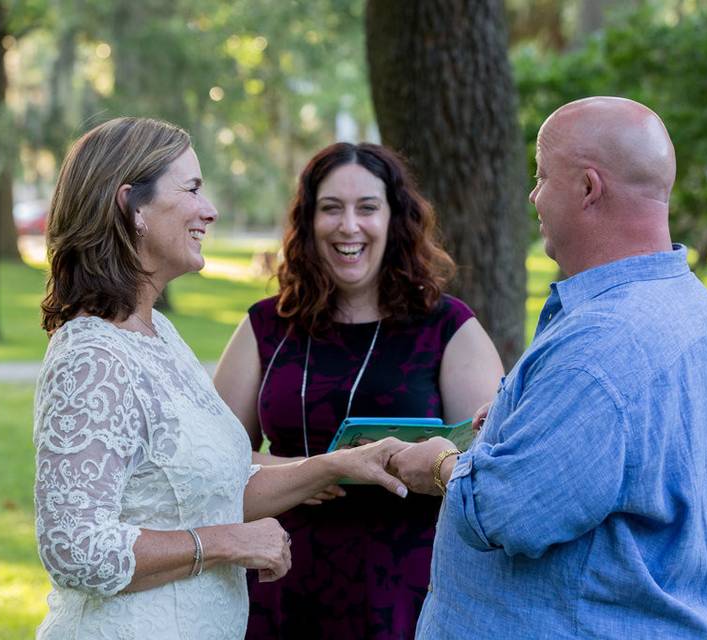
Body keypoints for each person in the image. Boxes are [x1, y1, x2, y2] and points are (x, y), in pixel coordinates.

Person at [390, 97, 707, 639]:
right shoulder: (690, 304)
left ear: (588, 188)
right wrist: (536, 417)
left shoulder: (603, 344)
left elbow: (507, 512)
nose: (533, 195)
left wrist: (441, 464)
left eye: (542, 175)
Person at [33, 117, 410, 640]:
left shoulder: (158, 334)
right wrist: (227, 544)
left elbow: (214, 486)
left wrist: (337, 465)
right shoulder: (91, 357)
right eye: (191, 189)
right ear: (132, 206)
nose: (209, 210)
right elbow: (74, 547)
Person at [213, 142, 503, 639]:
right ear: (308, 222)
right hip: (279, 584)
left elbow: (491, 466)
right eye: (331, 209)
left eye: (367, 208)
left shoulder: (448, 326)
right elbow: (205, 463)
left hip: (406, 591)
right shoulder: (266, 325)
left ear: (396, 219)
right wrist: (306, 471)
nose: (349, 226)